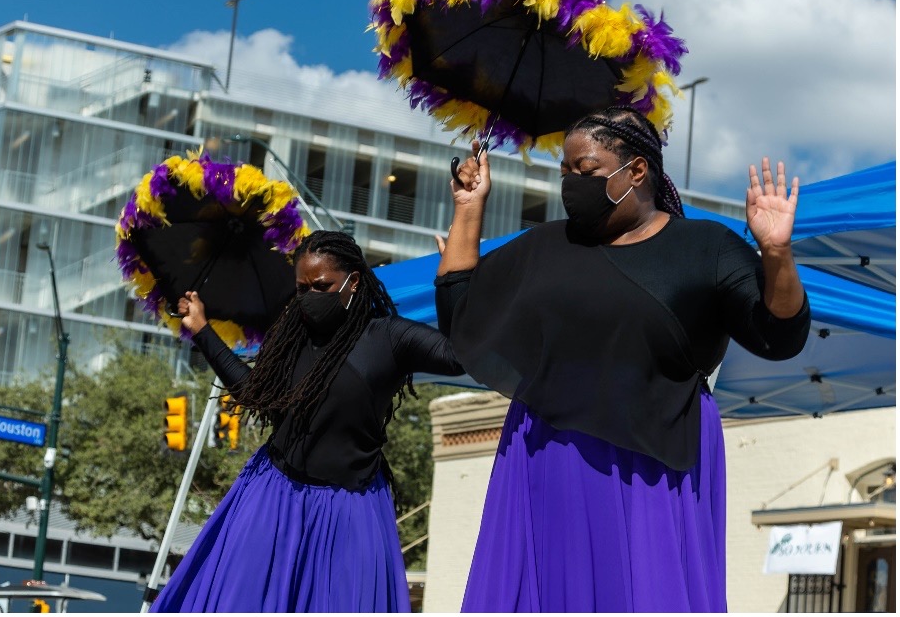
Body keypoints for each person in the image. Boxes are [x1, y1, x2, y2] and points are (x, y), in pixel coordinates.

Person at [433, 106, 811, 612]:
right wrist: (468, 208)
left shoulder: (706, 248)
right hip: (550, 454)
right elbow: (461, 315)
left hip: (654, 460)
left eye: (585, 171)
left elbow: (779, 337)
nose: (571, 183)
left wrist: (777, 255)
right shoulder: (545, 245)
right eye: (565, 172)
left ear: (636, 171)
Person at [151, 230, 463, 613]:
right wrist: (201, 329)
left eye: (321, 285)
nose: (310, 297)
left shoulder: (389, 338)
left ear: (354, 283)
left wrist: (451, 280)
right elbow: (254, 393)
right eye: (302, 288)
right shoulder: (291, 334)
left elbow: (456, 356)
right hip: (273, 494)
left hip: (353, 506)